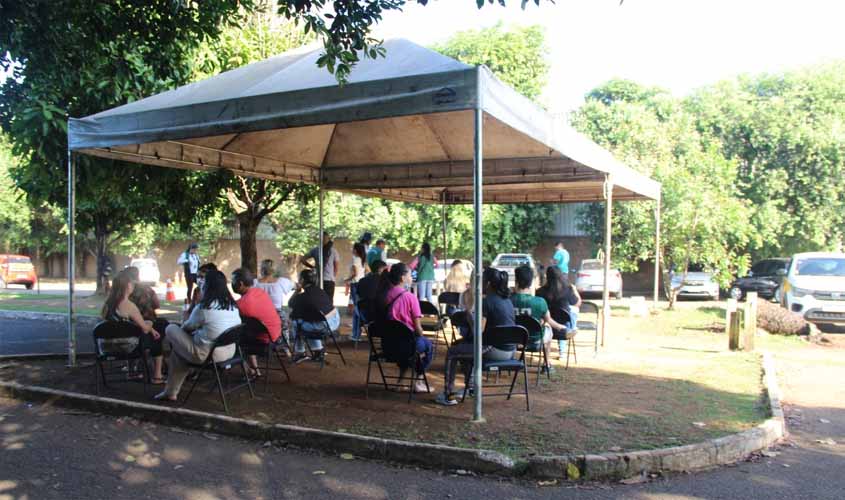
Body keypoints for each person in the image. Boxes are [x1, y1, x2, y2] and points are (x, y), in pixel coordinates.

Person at [155, 270, 241, 401]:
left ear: (207, 286)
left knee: (171, 328)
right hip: (229, 351)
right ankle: (170, 392)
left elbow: (185, 328)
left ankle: (170, 392)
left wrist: (187, 318)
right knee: (178, 353)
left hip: (208, 355)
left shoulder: (204, 307)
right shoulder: (233, 306)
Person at [435, 267, 515, 406]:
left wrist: (469, 316)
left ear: (488, 284)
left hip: (494, 350)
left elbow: (479, 332)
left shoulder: (487, 301)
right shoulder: (507, 300)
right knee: (462, 346)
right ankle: (471, 388)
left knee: (453, 352)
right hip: (510, 350)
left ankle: (448, 394)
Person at [375, 263, 434, 392]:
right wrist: (422, 334)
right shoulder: (410, 297)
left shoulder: (384, 295)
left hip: (388, 346)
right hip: (407, 346)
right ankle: (418, 381)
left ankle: (401, 381)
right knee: (428, 346)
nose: (412, 277)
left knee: (407, 344)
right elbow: (418, 329)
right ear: (402, 278)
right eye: (409, 274)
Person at [100, 269, 165, 385]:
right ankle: (157, 375)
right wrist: (150, 325)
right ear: (127, 286)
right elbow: (144, 328)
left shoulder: (107, 304)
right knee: (155, 337)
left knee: (136, 332)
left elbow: (111, 324)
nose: (133, 286)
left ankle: (131, 371)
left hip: (105, 347)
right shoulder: (129, 306)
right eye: (131, 284)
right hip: (125, 347)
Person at [510, 265, 567, 373]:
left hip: (513, 340)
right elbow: (548, 320)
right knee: (548, 329)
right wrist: (560, 327)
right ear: (531, 282)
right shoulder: (540, 302)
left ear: (516, 281)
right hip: (535, 341)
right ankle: (547, 364)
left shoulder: (508, 301)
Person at [232, 267, 282, 378]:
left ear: (240, 284)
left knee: (231, 341)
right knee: (246, 333)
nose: (232, 284)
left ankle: (251, 371)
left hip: (263, 341)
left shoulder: (242, 305)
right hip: (275, 333)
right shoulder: (259, 292)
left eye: (233, 282)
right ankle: (256, 371)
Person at [288, 269, 340, 364]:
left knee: (297, 322)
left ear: (302, 280)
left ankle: (301, 353)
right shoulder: (320, 291)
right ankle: (318, 351)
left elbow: (290, 304)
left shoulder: (303, 297)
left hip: (323, 326)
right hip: (335, 320)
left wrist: (297, 291)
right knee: (310, 321)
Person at [536, 266, 582, 359]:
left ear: (547, 276)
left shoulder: (540, 291)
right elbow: (577, 303)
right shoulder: (568, 289)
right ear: (561, 276)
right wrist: (575, 290)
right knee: (573, 311)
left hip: (547, 325)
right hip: (563, 327)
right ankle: (563, 350)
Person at [125, 265, 169, 345]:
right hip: (143, 323)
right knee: (163, 325)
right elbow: (156, 305)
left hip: (130, 325)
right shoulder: (147, 289)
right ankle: (157, 355)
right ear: (138, 275)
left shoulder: (123, 292)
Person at [300, 233, 341, 299]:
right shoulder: (333, 251)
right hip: (329, 280)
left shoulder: (316, 250)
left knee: (318, 300)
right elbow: (336, 267)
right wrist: (333, 277)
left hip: (318, 279)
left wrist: (312, 267)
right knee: (329, 301)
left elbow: (302, 259)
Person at [345, 243, 368, 342]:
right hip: (361, 284)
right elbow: (366, 271)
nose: (352, 249)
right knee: (357, 308)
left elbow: (355, 274)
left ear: (356, 250)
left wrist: (346, 280)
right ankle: (356, 333)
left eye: (353, 248)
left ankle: (356, 334)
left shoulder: (355, 259)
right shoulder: (362, 260)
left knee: (357, 309)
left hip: (355, 284)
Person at [356, 259, 388, 324]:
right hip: (379, 315)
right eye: (385, 269)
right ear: (380, 269)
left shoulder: (362, 280)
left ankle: (356, 333)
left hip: (363, 314)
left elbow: (358, 297)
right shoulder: (385, 281)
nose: (387, 272)